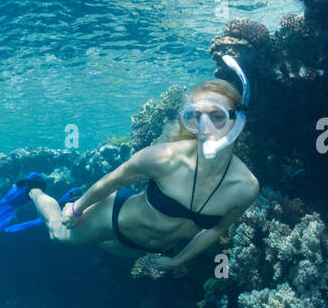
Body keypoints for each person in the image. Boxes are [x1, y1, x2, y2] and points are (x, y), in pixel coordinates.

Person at [25, 57, 260, 276]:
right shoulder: (164, 158)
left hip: (135, 249)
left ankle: (72, 199)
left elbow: (217, 229)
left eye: (217, 116)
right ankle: (34, 189)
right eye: (196, 117)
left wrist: (178, 261)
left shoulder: (246, 188)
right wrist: (77, 209)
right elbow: (115, 180)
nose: (206, 127)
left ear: (238, 120)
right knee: (58, 233)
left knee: (104, 251)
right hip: (113, 220)